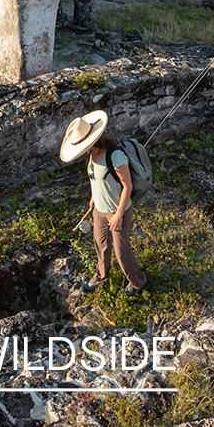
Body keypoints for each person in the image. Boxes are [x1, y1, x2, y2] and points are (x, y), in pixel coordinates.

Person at [59, 110, 146, 296]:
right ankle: (100, 278)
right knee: (101, 246)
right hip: (99, 209)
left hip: (117, 210)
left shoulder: (114, 156)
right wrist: (93, 198)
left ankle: (137, 281)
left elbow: (127, 186)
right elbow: (96, 179)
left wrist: (118, 214)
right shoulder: (91, 154)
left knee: (122, 252)